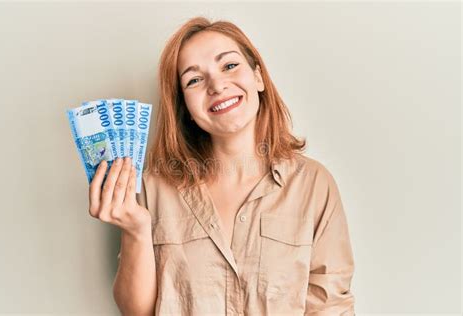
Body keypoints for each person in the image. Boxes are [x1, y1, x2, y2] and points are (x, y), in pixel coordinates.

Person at [89, 16, 356, 315]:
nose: (217, 85)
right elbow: (137, 311)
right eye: (194, 80)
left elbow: (331, 307)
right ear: (186, 108)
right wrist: (136, 230)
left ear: (258, 77)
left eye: (229, 66)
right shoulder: (152, 188)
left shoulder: (314, 185)